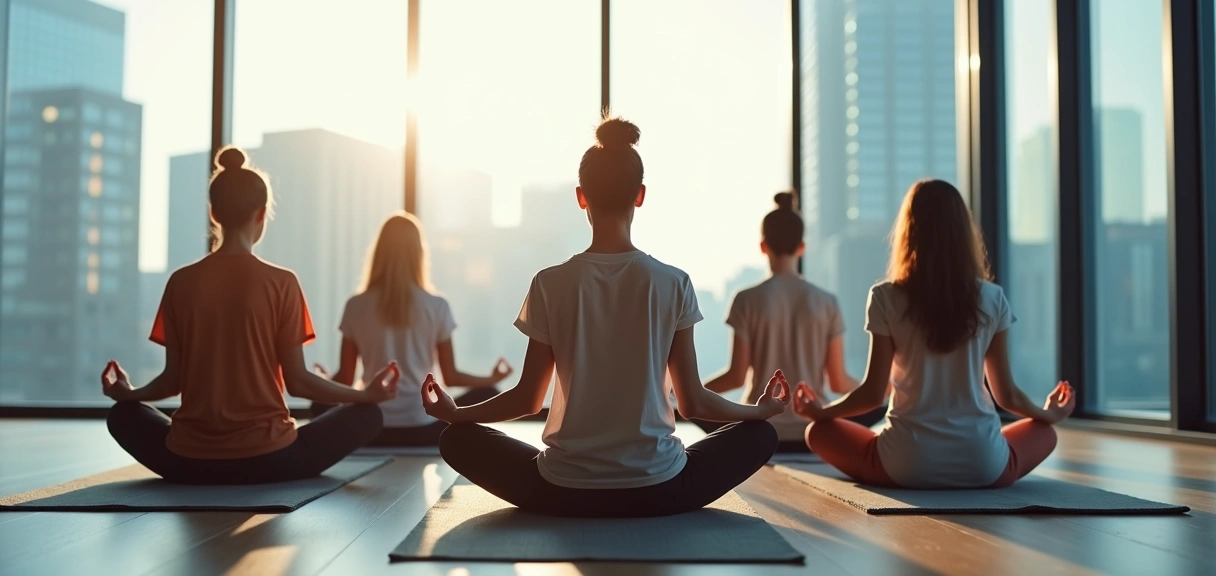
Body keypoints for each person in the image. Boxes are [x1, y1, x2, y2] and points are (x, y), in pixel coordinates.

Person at [422, 117, 791, 518]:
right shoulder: (674, 283)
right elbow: (692, 402)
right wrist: (759, 412)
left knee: (454, 439)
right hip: (661, 490)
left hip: (561, 491)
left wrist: (456, 415)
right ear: (640, 195)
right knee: (761, 435)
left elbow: (527, 399)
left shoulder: (549, 283)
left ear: (581, 197)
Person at [101, 146, 398, 484]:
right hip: (271, 460)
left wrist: (129, 393)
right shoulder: (282, 282)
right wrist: (366, 396)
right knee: (368, 415)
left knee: (122, 415)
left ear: (214, 213)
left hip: (188, 461)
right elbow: (299, 382)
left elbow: (172, 380)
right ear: (262, 214)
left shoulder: (180, 282)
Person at [791, 179, 1074, 489]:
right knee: (1045, 433)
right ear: (963, 232)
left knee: (818, 432)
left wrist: (821, 412)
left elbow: (873, 393)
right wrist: (1046, 413)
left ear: (908, 231)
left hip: (906, 463)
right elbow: (1006, 395)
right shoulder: (992, 297)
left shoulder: (885, 297)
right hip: (982, 463)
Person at [700, 191, 884, 453]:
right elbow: (839, 382)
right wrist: (878, 393)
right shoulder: (827, 301)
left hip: (759, 431)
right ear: (802, 247)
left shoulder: (745, 299)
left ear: (763, 246)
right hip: (813, 431)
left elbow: (736, 377)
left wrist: (690, 393)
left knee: (688, 406)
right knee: (881, 405)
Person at [311, 212, 513, 446]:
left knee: (319, 404)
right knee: (489, 393)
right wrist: (491, 378)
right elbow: (451, 377)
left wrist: (323, 381)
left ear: (378, 253)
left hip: (371, 428)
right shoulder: (437, 305)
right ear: (419, 253)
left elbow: (345, 380)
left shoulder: (356, 305)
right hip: (424, 428)